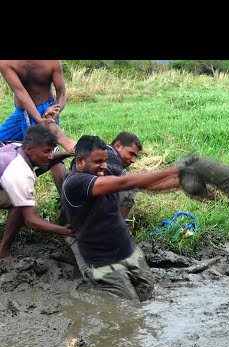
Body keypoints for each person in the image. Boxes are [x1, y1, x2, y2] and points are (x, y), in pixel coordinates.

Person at [61, 135, 180, 302]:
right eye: (97, 162)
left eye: (105, 160)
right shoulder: (75, 182)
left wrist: (180, 181)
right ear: (80, 161)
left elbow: (145, 184)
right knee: (126, 300)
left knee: (147, 286)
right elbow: (124, 183)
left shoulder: (107, 169)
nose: (103, 166)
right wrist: (172, 170)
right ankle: (86, 296)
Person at [0, 124, 74, 258]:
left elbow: (49, 156)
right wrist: (64, 230)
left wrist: (67, 153)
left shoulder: (16, 147)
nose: (50, 156)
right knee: (19, 204)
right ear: (29, 149)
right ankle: (3, 251)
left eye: (51, 151)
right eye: (47, 151)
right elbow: (31, 220)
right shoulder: (20, 173)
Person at [0, 60, 75, 191]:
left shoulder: (52, 62)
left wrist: (55, 110)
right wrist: (39, 120)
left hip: (47, 110)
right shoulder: (6, 62)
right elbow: (20, 92)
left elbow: (61, 93)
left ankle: (66, 200)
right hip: (22, 113)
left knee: (51, 152)